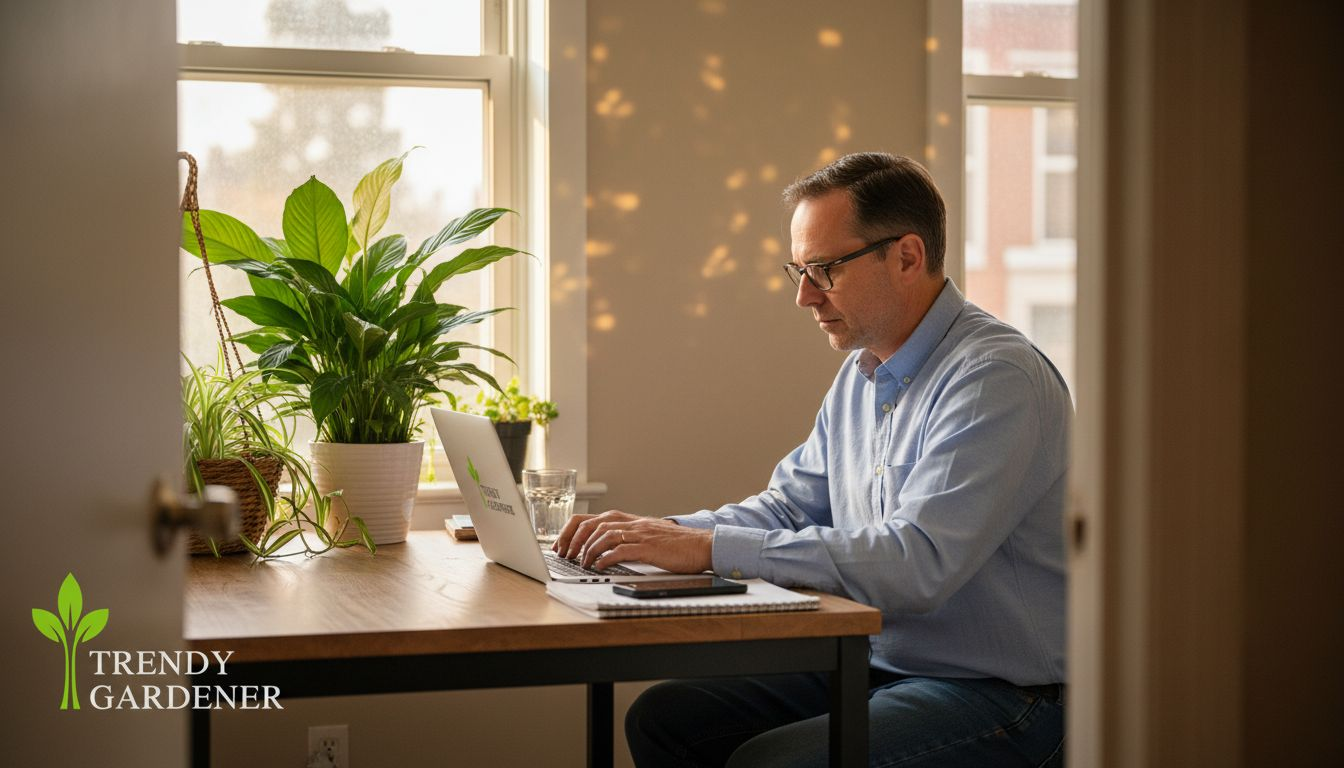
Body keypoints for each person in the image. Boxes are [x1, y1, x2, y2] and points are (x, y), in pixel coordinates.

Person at [554, 152, 1070, 767]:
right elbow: (790, 506)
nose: (804, 296)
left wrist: (707, 548)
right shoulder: (862, 372)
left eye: (824, 269)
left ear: (907, 256)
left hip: (1005, 695)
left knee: (769, 764)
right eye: (797, 270)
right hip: (880, 665)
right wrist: (658, 535)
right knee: (666, 720)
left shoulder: (993, 378)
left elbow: (918, 563)